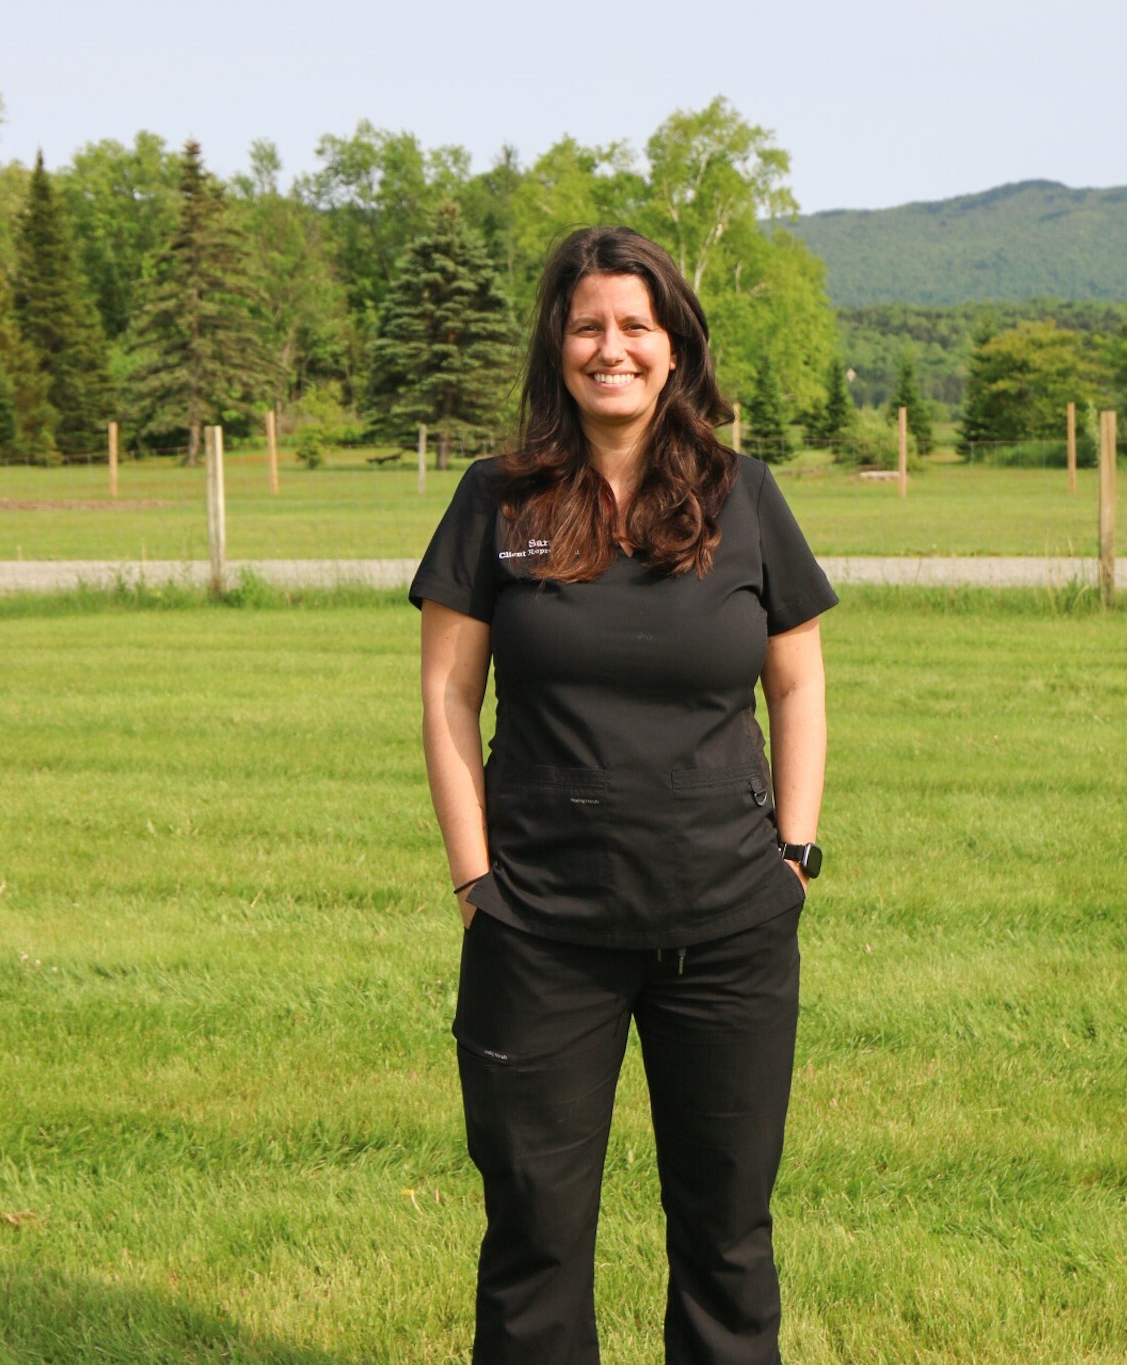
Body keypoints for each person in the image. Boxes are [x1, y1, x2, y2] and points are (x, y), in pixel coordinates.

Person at [410, 225, 838, 1364]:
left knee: (728, 1234)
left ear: (673, 346)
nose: (613, 348)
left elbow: (797, 683)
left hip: (730, 926)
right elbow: (448, 697)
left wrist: (794, 855)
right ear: (557, 345)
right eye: (588, 325)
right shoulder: (495, 500)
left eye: (636, 326)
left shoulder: (745, 496)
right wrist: (475, 881)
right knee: (534, 1238)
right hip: (539, 929)